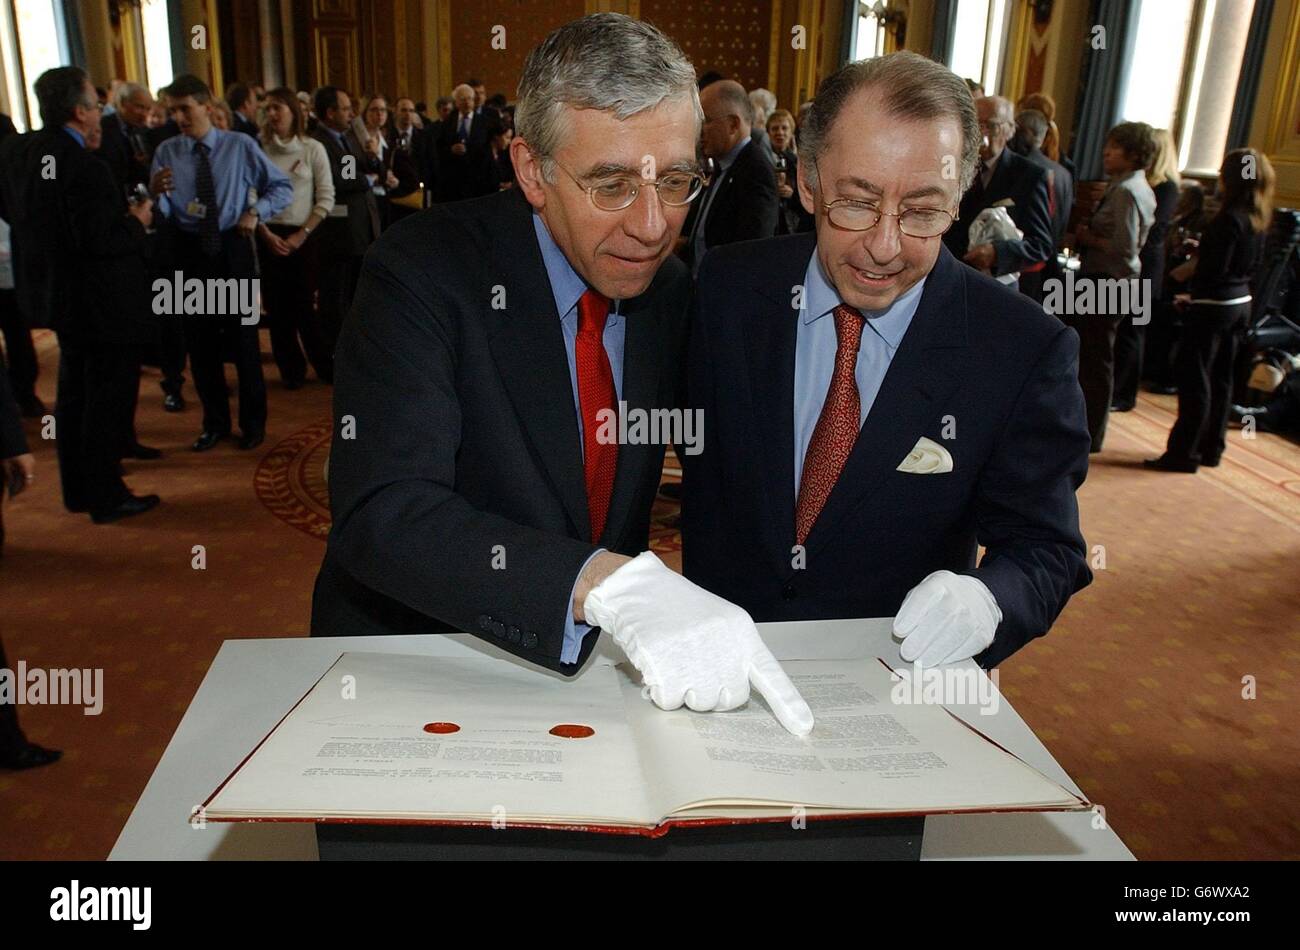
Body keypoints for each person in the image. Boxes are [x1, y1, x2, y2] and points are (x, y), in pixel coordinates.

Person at [312, 13, 813, 736]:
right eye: (611, 185)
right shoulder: (422, 271)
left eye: (675, 181)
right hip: (414, 667)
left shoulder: (665, 291)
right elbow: (383, 513)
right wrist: (592, 584)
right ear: (531, 170)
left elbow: (726, 465)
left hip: (582, 680)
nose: (651, 225)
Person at [682, 51, 1092, 669]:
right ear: (811, 181)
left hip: (895, 684)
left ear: (961, 198)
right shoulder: (729, 290)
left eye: (924, 211)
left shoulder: (1021, 349)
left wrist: (987, 598)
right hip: (717, 666)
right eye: (856, 202)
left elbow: (1046, 549)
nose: (884, 246)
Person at [0, 67, 159, 523]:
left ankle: (80, 490)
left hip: (54, 296)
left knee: (74, 396)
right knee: (106, 401)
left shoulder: (18, 150)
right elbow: (100, 240)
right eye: (96, 105)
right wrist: (138, 220)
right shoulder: (83, 167)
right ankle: (107, 495)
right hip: (102, 304)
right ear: (78, 111)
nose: (100, 114)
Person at [150, 74, 293, 452]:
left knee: (244, 343)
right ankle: (214, 423)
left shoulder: (240, 145)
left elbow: (281, 187)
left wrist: (257, 212)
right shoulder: (166, 151)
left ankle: (253, 424)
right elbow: (163, 209)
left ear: (208, 108)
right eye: (172, 110)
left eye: (185, 108)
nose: (178, 116)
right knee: (200, 346)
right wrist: (155, 197)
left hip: (232, 249)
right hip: (188, 252)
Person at [1146, 148, 1274, 472]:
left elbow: (1212, 271)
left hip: (1213, 306)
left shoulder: (1227, 219)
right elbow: (1248, 266)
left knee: (1195, 380)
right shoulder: (1258, 217)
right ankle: (1211, 448)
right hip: (1240, 304)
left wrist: (1191, 294)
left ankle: (1182, 453)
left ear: (1228, 178)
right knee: (1221, 379)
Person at [1070, 121, 1156, 452]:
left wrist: (1086, 236)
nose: (1106, 152)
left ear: (1133, 154)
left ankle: (1091, 431)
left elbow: (1124, 246)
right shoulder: (1129, 185)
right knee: (1094, 356)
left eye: (1115, 147)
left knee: (1096, 360)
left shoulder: (1127, 190)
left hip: (1110, 283)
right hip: (1112, 282)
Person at [257, 87, 335, 388]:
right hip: (268, 233)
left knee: (305, 304)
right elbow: (250, 194)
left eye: (278, 107)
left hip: (304, 233)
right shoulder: (259, 149)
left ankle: (323, 364)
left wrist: (302, 235)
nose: (272, 114)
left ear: (293, 111)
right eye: (268, 108)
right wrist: (264, 233)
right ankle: (290, 369)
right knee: (277, 307)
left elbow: (326, 197)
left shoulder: (313, 148)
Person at [943, 95, 1054, 294]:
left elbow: (1041, 245)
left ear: (1010, 130)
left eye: (990, 125)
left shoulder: (1029, 176)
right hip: (949, 279)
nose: (982, 134)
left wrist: (997, 254)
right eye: (975, 125)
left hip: (995, 287)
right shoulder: (952, 166)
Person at [1113, 128, 1179, 412]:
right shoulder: (1144, 185)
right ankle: (1121, 391)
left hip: (1144, 267)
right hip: (1139, 264)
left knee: (1132, 331)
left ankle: (1124, 393)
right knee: (1127, 330)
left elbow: (1143, 236)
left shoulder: (1165, 188)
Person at [683, 79, 778, 275]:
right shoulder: (723, 165)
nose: (699, 131)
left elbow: (751, 250)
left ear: (733, 124)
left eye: (706, 121)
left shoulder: (756, 173)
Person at [310, 86, 381, 351]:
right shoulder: (318, 142)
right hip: (338, 233)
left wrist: (373, 158)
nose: (351, 113)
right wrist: (367, 180)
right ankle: (334, 350)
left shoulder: (347, 138)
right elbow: (340, 179)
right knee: (334, 296)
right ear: (330, 113)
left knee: (354, 293)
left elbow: (358, 168)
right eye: (344, 108)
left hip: (360, 228)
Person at [435, 84, 496, 202]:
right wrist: (451, 149)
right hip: (454, 180)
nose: (467, 102)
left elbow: (487, 147)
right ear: (456, 102)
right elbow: (439, 146)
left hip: (478, 177)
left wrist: (468, 148)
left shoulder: (484, 122)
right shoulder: (448, 122)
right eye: (463, 99)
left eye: (469, 98)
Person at [767, 108, 813, 234]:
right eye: (775, 128)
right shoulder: (763, 160)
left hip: (791, 227)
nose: (780, 133)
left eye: (784, 128)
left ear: (791, 132)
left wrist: (792, 195)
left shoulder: (798, 163)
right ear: (768, 133)